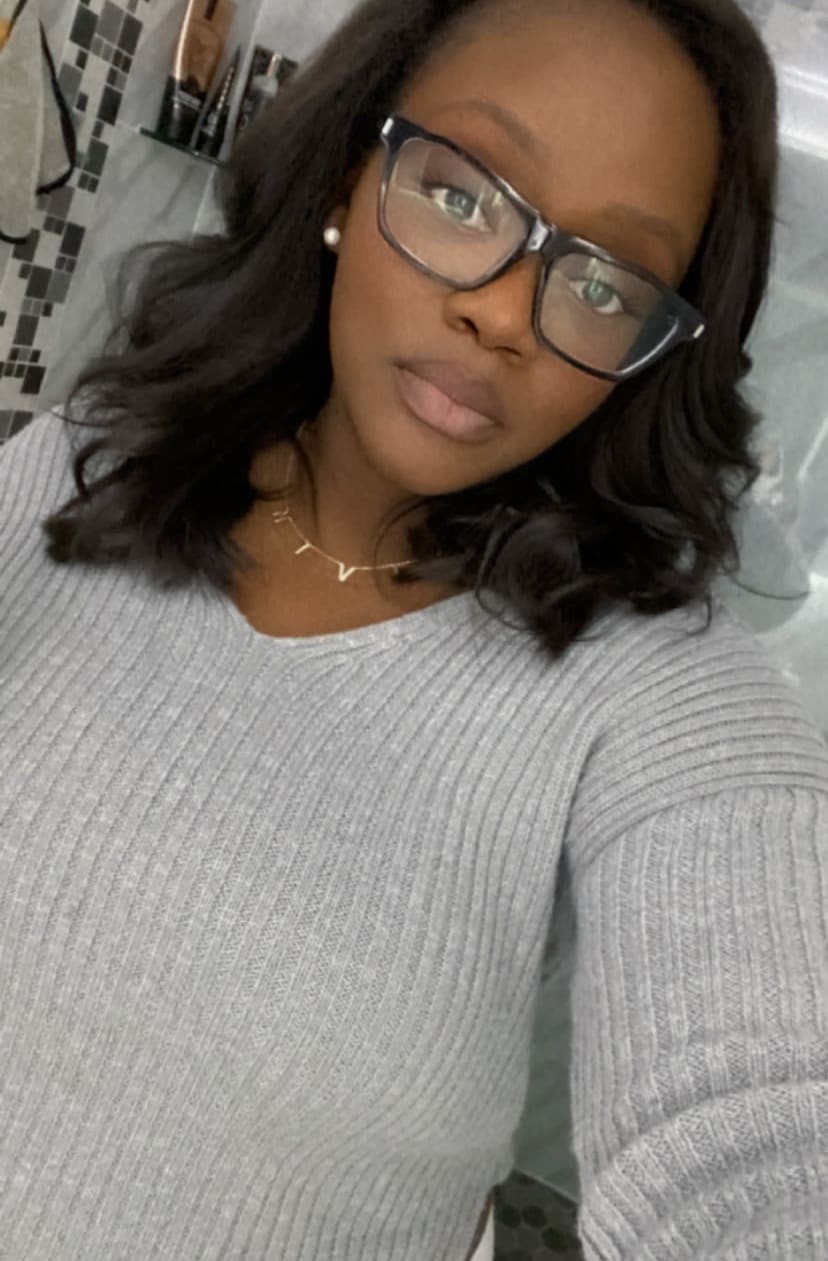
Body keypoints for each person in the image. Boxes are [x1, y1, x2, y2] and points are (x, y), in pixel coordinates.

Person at [1, 0, 826, 1258]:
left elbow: (759, 1139)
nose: (504, 313)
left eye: (603, 281)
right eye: (462, 195)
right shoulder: (83, 470)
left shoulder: (656, 692)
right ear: (350, 172)